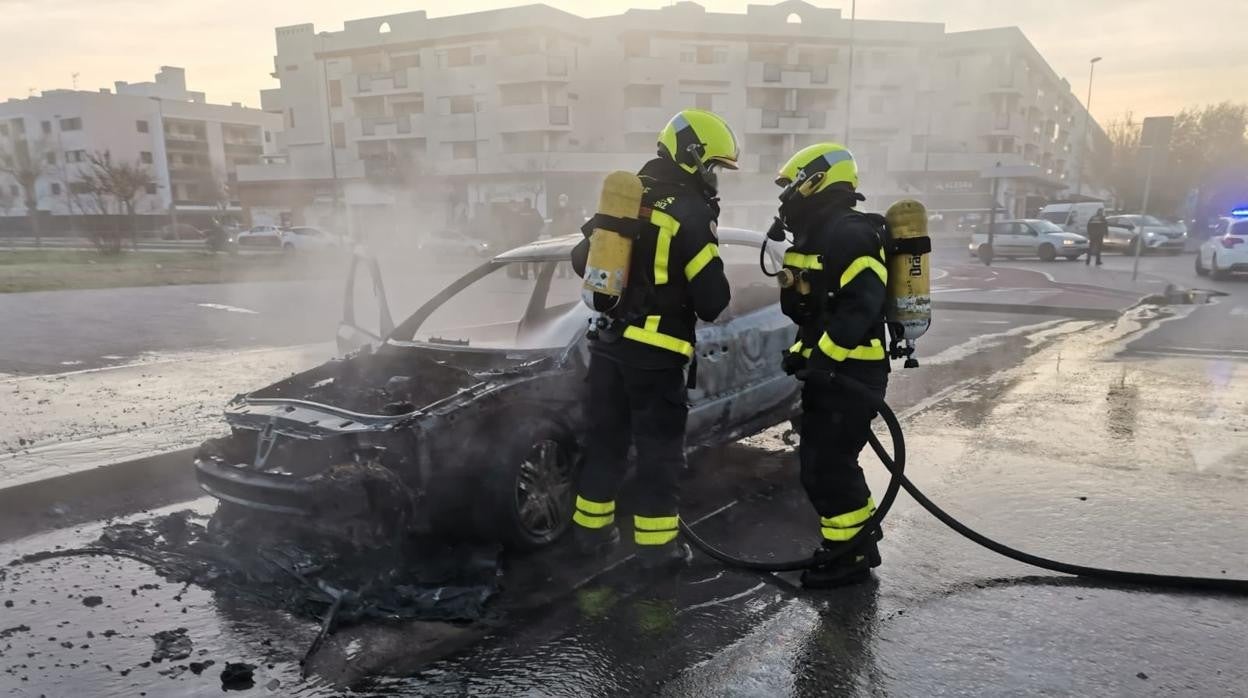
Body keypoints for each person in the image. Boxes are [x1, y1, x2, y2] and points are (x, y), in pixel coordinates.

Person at [569, 109, 735, 568]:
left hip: (606, 349)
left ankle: (589, 538)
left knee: (604, 445)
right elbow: (711, 300)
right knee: (659, 456)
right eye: (713, 166)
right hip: (656, 357)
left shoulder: (625, 197)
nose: (714, 176)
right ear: (692, 156)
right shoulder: (689, 211)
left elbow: (580, 261)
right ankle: (657, 550)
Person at [772, 143, 890, 588]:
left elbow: (861, 307)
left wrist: (823, 359)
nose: (785, 196)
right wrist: (805, 354)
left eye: (790, 185)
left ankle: (850, 556)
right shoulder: (814, 234)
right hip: (832, 374)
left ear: (816, 179)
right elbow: (811, 313)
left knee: (829, 466)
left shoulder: (849, 233)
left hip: (853, 374)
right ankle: (855, 545)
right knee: (827, 464)